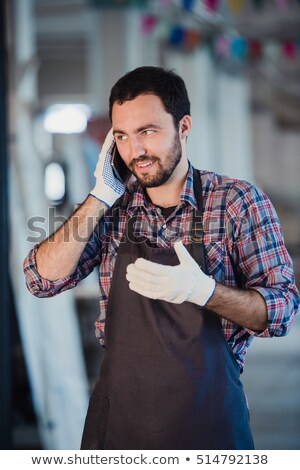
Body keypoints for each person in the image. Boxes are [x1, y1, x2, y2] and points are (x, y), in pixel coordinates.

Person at [23, 66, 300, 450]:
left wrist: (206, 292)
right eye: (122, 136)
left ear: (183, 127)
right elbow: (40, 279)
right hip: (120, 427)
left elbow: (283, 310)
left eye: (147, 132)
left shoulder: (236, 202)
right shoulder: (111, 210)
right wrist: (100, 195)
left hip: (208, 424)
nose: (135, 151)